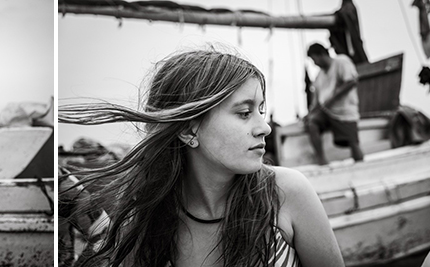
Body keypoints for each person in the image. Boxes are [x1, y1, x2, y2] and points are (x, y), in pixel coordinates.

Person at [60, 46, 344, 267]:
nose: (264, 127)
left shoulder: (286, 194)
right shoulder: (145, 223)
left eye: (260, 110)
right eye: (244, 113)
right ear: (188, 130)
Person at [304, 43, 364, 165]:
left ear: (322, 54)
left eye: (314, 59)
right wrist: (309, 113)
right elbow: (317, 102)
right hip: (327, 113)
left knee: (353, 143)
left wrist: (332, 99)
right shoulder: (319, 75)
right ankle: (321, 160)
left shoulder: (341, 62)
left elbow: (352, 81)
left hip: (345, 111)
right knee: (312, 122)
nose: (314, 63)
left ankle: (360, 164)